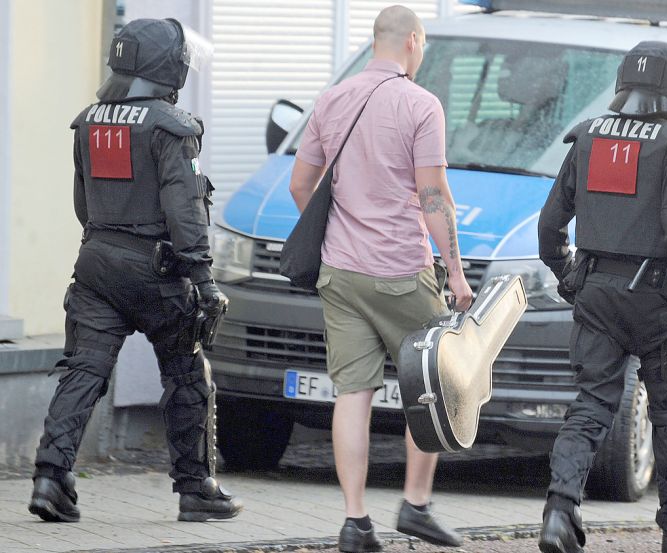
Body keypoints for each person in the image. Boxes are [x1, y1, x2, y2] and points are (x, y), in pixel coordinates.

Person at [29, 19, 242, 523]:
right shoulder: (172, 126)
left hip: (96, 265)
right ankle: (196, 488)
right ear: (168, 65)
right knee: (188, 373)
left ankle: (49, 478)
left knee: (83, 371)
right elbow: (185, 211)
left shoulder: (88, 120)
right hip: (157, 272)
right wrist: (205, 281)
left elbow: (83, 204)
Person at [288, 5, 473, 552]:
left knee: (353, 392)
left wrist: (338, 236)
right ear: (413, 41)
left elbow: (302, 185)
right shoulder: (421, 104)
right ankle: (416, 506)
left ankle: (355, 521)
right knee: (435, 386)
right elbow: (433, 195)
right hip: (400, 271)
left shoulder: (333, 98)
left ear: (376, 42)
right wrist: (457, 273)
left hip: (339, 274)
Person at [536, 42, 667, 553]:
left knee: (593, 404)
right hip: (652, 299)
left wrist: (568, 273)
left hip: (595, 295)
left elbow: (551, 224)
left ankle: (559, 512)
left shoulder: (589, 137)